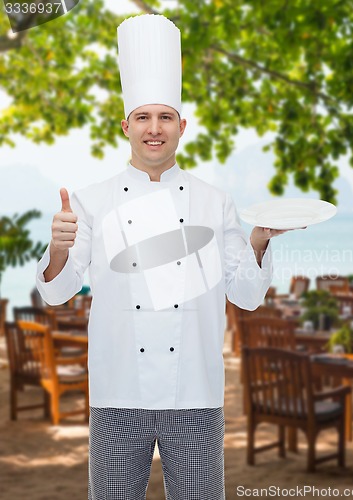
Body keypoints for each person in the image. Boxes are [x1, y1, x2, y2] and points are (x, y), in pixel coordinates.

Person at [36, 14, 288, 500]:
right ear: (126, 125)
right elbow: (57, 291)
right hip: (116, 393)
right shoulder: (91, 200)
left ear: (182, 126)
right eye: (144, 118)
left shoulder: (215, 201)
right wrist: (59, 247)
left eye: (165, 117)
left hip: (194, 394)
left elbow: (246, 294)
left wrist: (258, 240)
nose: (155, 129)